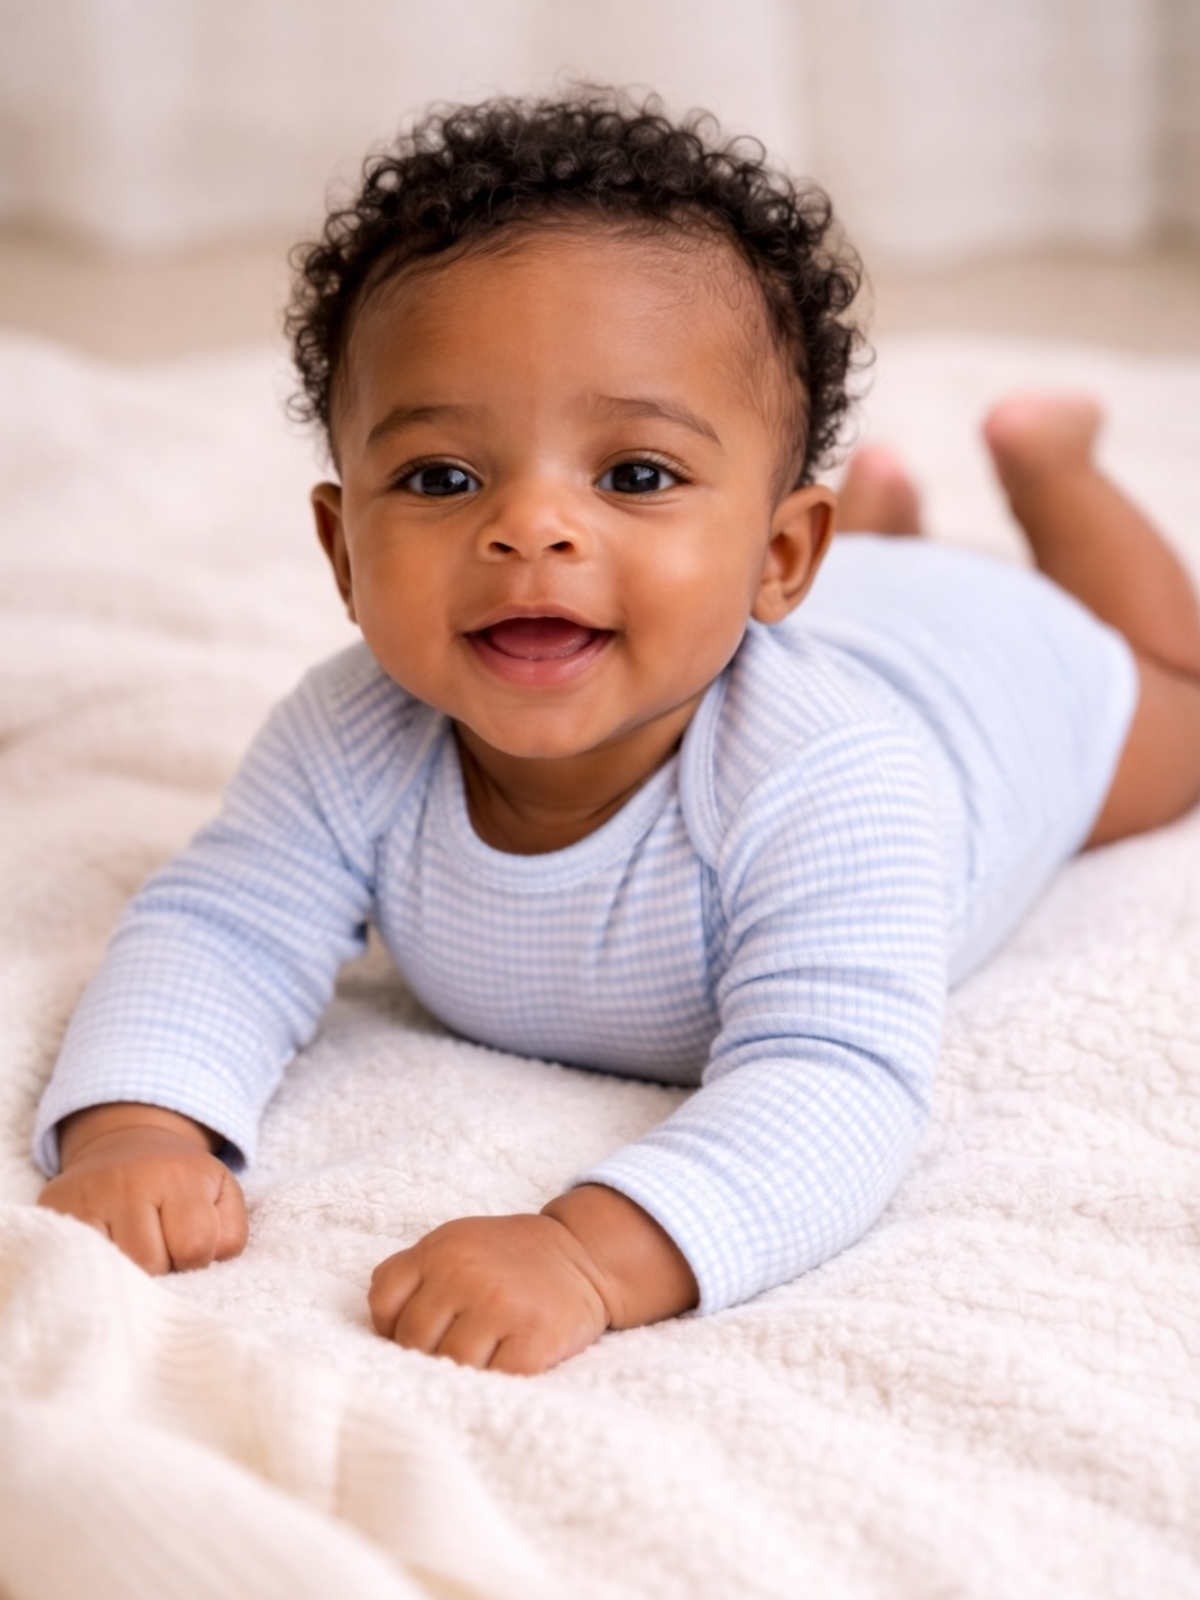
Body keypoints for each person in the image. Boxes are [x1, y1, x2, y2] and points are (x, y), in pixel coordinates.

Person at [34, 94, 1200, 1375]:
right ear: (339, 547)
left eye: (635, 475)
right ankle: (874, 529)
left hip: (990, 673)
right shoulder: (349, 731)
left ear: (776, 554)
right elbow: (221, 925)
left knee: (1178, 702)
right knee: (711, 592)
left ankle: (1053, 473)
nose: (533, 529)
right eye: (440, 477)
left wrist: (591, 1250)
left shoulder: (826, 782)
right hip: (796, 598)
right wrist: (136, 1126)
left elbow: (834, 1080)